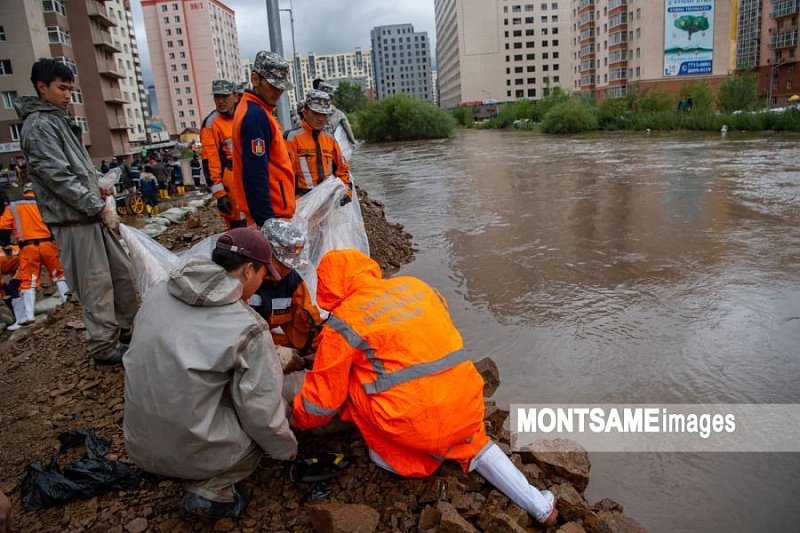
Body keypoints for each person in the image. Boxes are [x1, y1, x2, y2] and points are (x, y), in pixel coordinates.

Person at [292, 249, 558, 526]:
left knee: (352, 380)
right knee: (476, 442)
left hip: (411, 430)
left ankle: (405, 457)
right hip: (467, 407)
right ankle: (540, 506)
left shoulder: (343, 323)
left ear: (328, 287)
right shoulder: (417, 286)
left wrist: (294, 420)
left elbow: (320, 405)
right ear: (367, 269)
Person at [123, 227, 297, 518]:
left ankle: (174, 460)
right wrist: (286, 448)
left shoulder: (159, 291)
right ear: (248, 270)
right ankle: (213, 489)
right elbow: (261, 411)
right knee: (266, 421)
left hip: (138, 444)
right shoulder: (247, 326)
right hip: (190, 453)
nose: (263, 282)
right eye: (262, 275)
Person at [14, 58, 137, 364]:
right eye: (62, 88)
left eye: (71, 88)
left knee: (121, 274)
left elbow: (77, 171)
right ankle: (104, 347)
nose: (68, 95)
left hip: (90, 216)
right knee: (96, 284)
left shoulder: (58, 121)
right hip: (75, 223)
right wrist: (96, 205)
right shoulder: (39, 126)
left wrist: (98, 183)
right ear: (42, 88)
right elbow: (57, 178)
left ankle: (128, 331)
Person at [232, 51, 296, 227]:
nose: (278, 91)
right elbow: (255, 174)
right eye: (273, 85)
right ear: (255, 79)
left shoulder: (257, 111)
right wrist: (267, 222)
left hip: (271, 213)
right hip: (271, 215)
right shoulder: (255, 116)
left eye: (281, 86)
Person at [0, 183, 71, 329]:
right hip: (47, 244)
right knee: (59, 274)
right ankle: (67, 304)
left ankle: (29, 316)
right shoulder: (43, 202)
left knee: (28, 281)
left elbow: (4, 227)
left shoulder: (14, 205)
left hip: (28, 247)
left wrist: (5, 244)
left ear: (24, 191)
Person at [250, 218, 322, 358]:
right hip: (235, 348)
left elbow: (307, 325)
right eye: (285, 263)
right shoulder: (241, 276)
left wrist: (318, 353)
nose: (289, 269)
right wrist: (272, 352)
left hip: (262, 341)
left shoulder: (292, 284)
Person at [285, 90, 351, 197]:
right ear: (305, 113)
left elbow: (343, 170)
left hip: (327, 200)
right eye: (316, 113)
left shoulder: (330, 139)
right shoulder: (292, 138)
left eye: (324, 114)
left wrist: (347, 193)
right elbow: (285, 176)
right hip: (302, 202)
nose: (320, 118)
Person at [201, 79, 245, 228]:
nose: (220, 101)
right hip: (231, 180)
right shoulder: (211, 124)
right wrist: (220, 195)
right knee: (239, 226)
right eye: (217, 97)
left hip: (251, 175)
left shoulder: (244, 116)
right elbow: (210, 161)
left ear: (235, 97)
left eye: (225, 96)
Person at [317, 80, 356, 145]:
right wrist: (352, 142)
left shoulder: (311, 112)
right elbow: (348, 129)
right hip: (329, 144)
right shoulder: (338, 113)